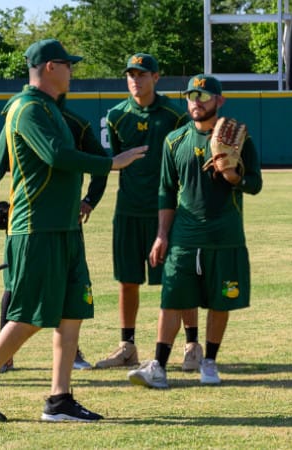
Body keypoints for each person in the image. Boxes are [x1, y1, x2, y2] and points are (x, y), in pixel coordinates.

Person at [0, 38, 146, 422]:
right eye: (68, 65)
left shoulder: (51, 110)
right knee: (30, 313)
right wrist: (113, 163)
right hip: (36, 228)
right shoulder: (27, 109)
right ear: (51, 67)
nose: (73, 70)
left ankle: (59, 399)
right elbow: (57, 156)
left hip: (64, 228)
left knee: (71, 310)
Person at [127, 74, 262, 388]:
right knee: (172, 298)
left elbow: (254, 184)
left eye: (203, 96)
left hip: (224, 233)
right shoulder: (175, 141)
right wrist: (162, 234)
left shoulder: (239, 138)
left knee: (220, 301)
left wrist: (231, 174)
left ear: (219, 100)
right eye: (191, 96)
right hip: (185, 236)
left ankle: (210, 362)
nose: (196, 102)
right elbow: (165, 192)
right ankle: (158, 366)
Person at [0, 93, 110, 373]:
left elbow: (102, 162)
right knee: (15, 287)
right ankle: (5, 357)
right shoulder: (26, 114)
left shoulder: (75, 122)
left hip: (65, 221)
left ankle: (71, 354)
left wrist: (90, 199)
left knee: (69, 289)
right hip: (30, 223)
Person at [95, 53, 201, 371]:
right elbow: (114, 161)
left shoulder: (172, 114)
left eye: (142, 74)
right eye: (131, 74)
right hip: (128, 210)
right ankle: (127, 346)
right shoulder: (116, 115)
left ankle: (192, 344)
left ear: (156, 77)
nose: (135, 80)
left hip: (166, 210)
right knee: (127, 281)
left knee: (177, 279)